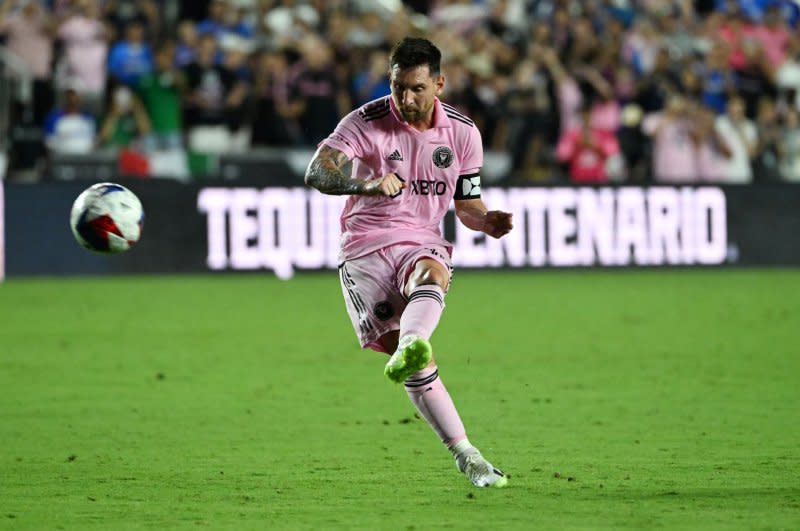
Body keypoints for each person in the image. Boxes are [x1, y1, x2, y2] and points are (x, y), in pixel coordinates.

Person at [304, 37, 513, 488]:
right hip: (364, 248)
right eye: (399, 87)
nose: (406, 99)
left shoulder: (463, 133)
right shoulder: (365, 122)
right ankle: (463, 452)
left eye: (417, 88)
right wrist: (368, 185)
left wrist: (485, 221)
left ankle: (470, 454)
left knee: (432, 271)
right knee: (419, 367)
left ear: (439, 83)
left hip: (420, 239)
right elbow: (317, 172)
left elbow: (467, 205)